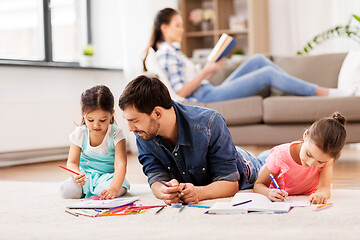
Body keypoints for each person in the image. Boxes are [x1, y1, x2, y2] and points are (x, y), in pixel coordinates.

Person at [143, 8, 355, 103]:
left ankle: (295, 89)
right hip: (204, 97)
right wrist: (206, 71)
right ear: (164, 27)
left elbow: (190, 82)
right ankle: (330, 94)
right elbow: (181, 91)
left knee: (258, 60)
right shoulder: (166, 53)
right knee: (267, 75)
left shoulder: (174, 52)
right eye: (177, 25)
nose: (182, 30)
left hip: (208, 89)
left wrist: (211, 70)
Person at [118, 75, 269, 205]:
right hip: (220, 156)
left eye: (135, 120)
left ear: (157, 113)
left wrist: (199, 192)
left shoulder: (209, 123)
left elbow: (230, 184)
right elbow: (155, 175)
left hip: (244, 164)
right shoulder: (144, 132)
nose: (130, 128)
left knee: (275, 162)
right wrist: (164, 191)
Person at [253, 112, 347, 204]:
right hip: (268, 161)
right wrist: (269, 193)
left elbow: (324, 188)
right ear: (305, 135)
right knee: (255, 162)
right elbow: (258, 185)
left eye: (320, 162)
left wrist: (320, 194)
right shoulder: (280, 155)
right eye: (309, 154)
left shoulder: (327, 160)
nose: (311, 164)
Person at [60, 85, 130, 199]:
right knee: (68, 191)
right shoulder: (79, 134)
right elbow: (72, 163)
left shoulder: (117, 134)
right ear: (83, 114)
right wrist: (76, 174)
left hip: (107, 178)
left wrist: (113, 188)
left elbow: (120, 164)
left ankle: (102, 191)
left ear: (111, 114)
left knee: (115, 189)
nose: (96, 125)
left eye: (103, 120)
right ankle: (87, 190)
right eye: (90, 120)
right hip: (86, 177)